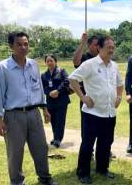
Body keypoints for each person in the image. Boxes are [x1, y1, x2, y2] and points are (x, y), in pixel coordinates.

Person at [0, 32, 57, 185]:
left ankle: (45, 178)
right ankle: (16, 181)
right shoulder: (3, 68)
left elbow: (39, 88)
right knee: (15, 152)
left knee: (41, 148)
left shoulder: (33, 64)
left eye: (26, 44)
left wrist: (44, 108)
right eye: (19, 44)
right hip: (14, 116)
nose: (23, 47)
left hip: (34, 114)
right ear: (11, 46)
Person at [69, 36, 123, 184]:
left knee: (106, 143)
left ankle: (102, 168)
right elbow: (72, 79)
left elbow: (120, 83)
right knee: (87, 145)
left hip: (109, 113)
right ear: (99, 47)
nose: (111, 50)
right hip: (92, 113)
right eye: (108, 47)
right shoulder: (90, 64)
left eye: (113, 47)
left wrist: (119, 97)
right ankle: (83, 173)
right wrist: (83, 97)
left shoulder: (114, 66)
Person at [73, 33, 99, 169]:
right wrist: (82, 43)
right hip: (87, 101)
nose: (98, 46)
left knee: (102, 130)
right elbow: (76, 61)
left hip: (102, 102)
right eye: (95, 44)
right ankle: (89, 153)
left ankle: (102, 151)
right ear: (89, 45)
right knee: (87, 131)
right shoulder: (85, 58)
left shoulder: (103, 59)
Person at [41, 54, 70, 148]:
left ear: (55, 61)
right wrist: (49, 93)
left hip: (61, 100)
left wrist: (58, 91)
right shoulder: (44, 75)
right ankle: (55, 137)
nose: (49, 62)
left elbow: (67, 81)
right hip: (50, 101)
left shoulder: (61, 71)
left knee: (60, 120)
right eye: (47, 61)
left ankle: (58, 139)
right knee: (53, 120)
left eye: (51, 60)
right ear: (45, 63)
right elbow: (42, 87)